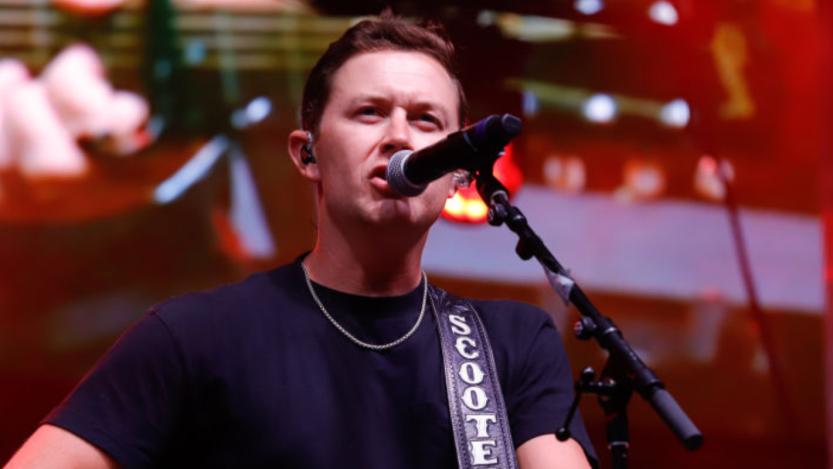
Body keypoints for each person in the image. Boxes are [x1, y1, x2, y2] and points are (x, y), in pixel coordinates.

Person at [5, 12, 597, 469]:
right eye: (369, 112)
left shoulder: (512, 343)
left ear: (457, 174)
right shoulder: (196, 336)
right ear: (306, 154)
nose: (400, 139)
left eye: (426, 121)